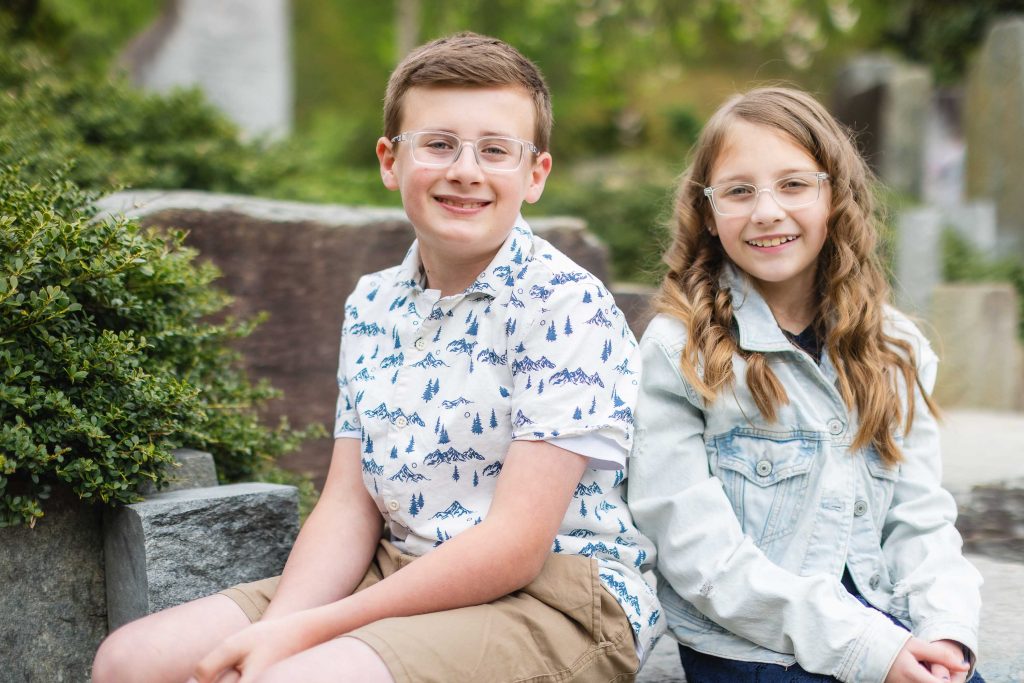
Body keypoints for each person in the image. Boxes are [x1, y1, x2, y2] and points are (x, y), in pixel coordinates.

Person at [92, 32, 661, 683]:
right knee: (129, 661)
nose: (465, 169)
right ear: (391, 160)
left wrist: (309, 634)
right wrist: (281, 626)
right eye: (439, 143)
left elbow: (515, 548)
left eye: (496, 150)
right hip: (400, 567)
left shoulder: (563, 304)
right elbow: (346, 505)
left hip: (553, 597)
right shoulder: (373, 304)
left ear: (535, 175)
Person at [627, 86, 984, 683]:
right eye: (740, 191)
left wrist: (945, 630)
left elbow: (918, 521)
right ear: (709, 214)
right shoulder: (678, 352)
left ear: (835, 199)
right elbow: (699, 556)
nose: (767, 210)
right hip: (752, 645)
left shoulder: (893, 349)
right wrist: (871, 650)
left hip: (886, 619)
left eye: (794, 185)